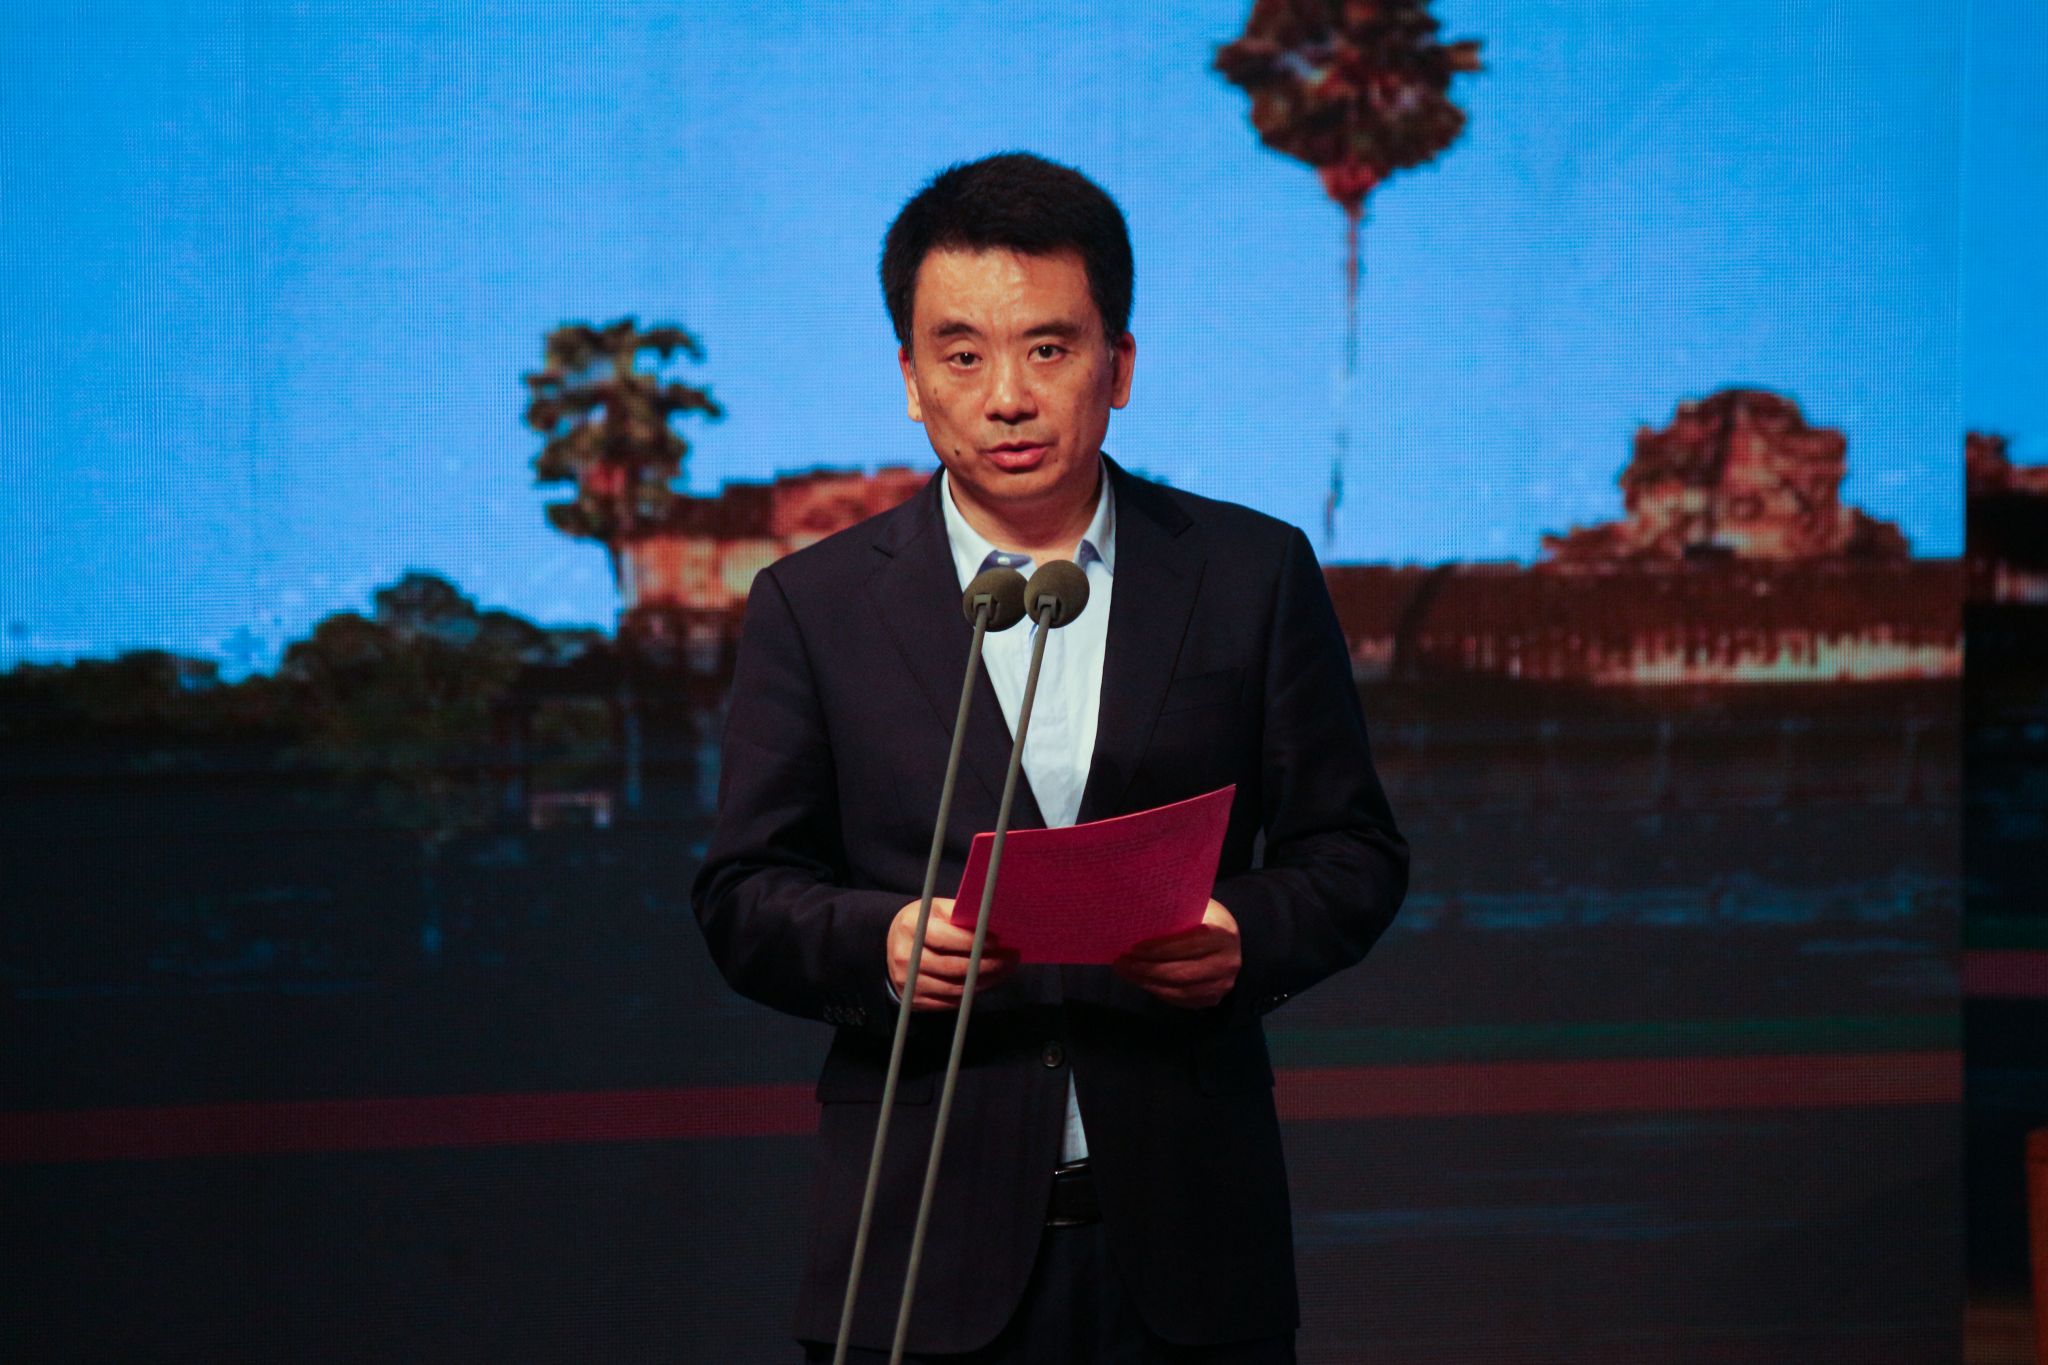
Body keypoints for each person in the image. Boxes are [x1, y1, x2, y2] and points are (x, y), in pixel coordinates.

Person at [691, 152, 1408, 1364]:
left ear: (1117, 367)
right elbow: (743, 895)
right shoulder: (814, 606)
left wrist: (1242, 935)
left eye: (1048, 349)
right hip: (920, 1252)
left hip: (1190, 1246)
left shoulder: (1247, 575)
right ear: (910, 381)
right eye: (961, 355)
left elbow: (1353, 852)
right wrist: (881, 943)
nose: (1007, 398)